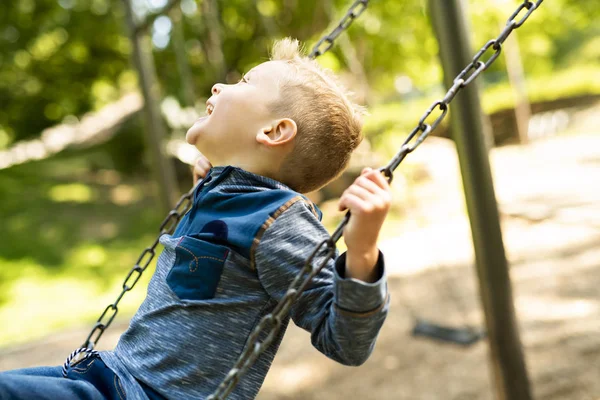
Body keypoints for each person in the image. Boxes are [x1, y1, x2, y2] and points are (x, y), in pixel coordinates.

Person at [0, 38, 391, 400]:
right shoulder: (222, 192)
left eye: (245, 81)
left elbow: (346, 342)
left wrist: (363, 252)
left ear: (273, 131)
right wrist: (217, 179)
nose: (221, 87)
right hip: (110, 375)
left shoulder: (279, 219)